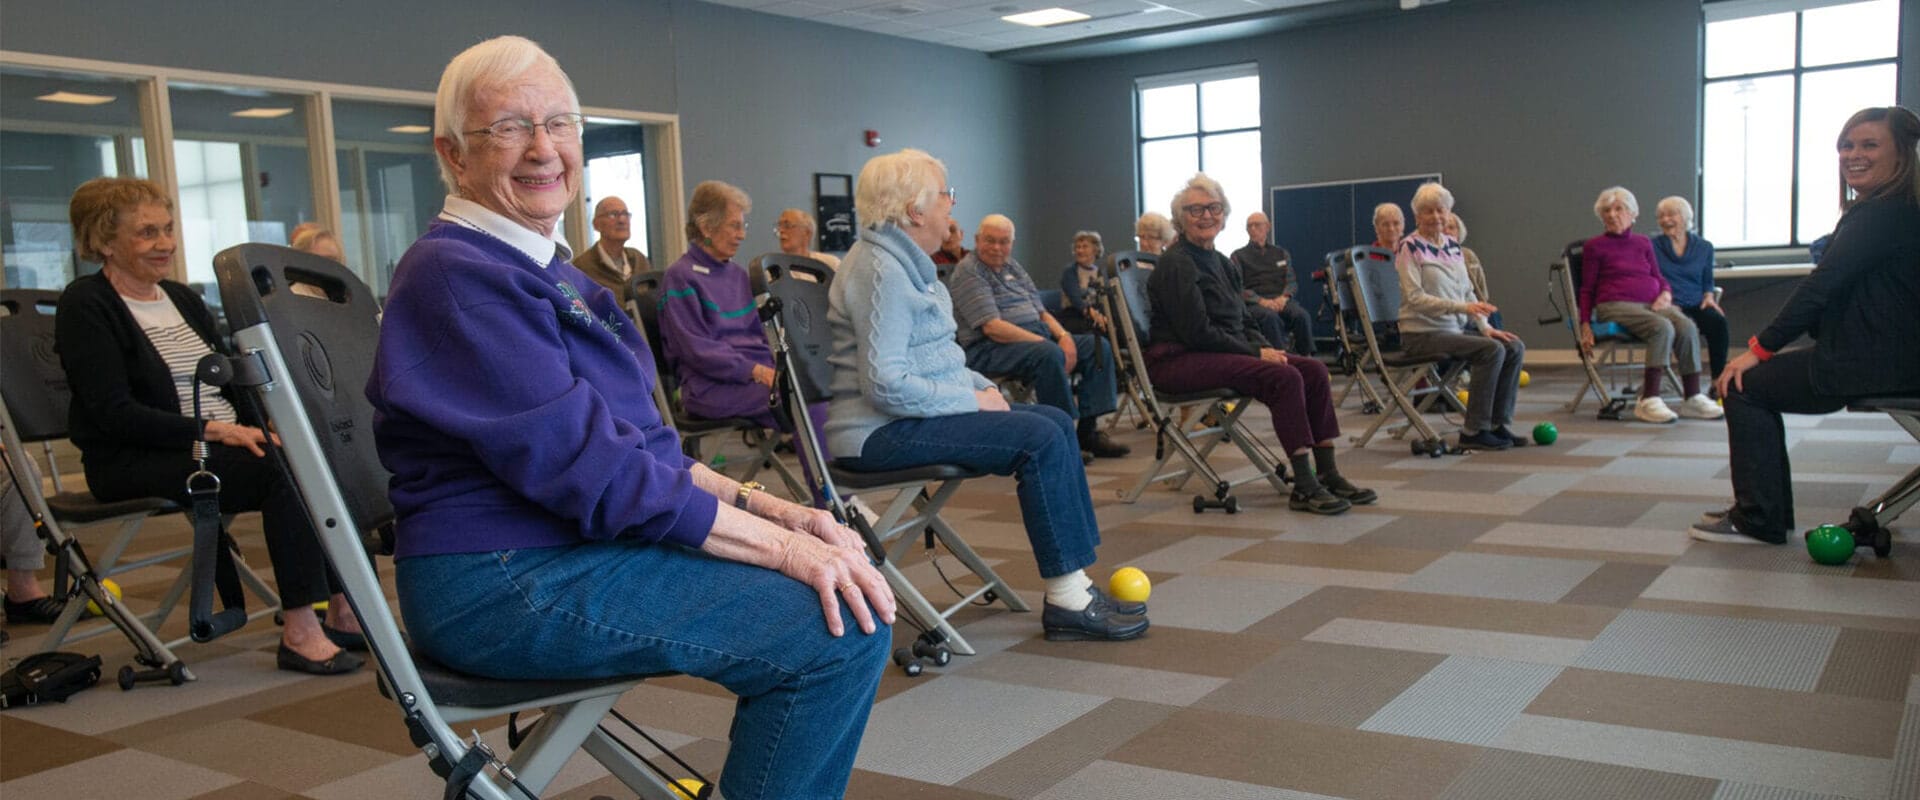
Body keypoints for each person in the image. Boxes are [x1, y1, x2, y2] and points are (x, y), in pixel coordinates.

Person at [367, 37, 890, 800]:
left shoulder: (544, 271)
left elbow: (650, 451)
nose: (543, 148)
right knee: (831, 632)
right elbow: (597, 473)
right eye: (509, 128)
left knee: (833, 596)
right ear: (453, 154)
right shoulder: (458, 274)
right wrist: (783, 553)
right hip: (499, 580)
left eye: (560, 123)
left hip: (550, 550)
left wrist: (785, 515)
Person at [826, 148, 1147, 642]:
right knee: (1039, 437)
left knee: (1056, 422)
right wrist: (971, 401)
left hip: (906, 421)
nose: (951, 206)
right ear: (915, 209)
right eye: (944, 197)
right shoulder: (881, 271)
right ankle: (1067, 599)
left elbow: (936, 360)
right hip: (877, 434)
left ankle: (1074, 585)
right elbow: (885, 383)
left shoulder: (906, 264)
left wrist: (982, 386)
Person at [55, 177, 364, 675]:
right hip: (136, 457)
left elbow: (231, 381)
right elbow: (114, 413)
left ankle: (347, 608)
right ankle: (302, 627)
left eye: (169, 229)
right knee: (282, 471)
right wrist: (216, 432)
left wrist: (263, 424)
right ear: (104, 242)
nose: (166, 244)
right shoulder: (86, 305)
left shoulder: (182, 298)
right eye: (146, 233)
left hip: (212, 444)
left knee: (317, 454)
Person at [1692, 106, 1920, 545]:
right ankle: (1767, 513)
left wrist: (1758, 349)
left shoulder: (1880, 213)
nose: (1853, 154)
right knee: (1754, 383)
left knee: (1741, 385)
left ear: (1902, 154)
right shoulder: (1899, 210)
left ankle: (1759, 518)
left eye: (1870, 144)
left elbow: (1820, 288)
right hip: (1892, 355)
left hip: (1874, 361)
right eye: (1846, 145)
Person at [1144, 174, 1377, 515]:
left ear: (1224, 215)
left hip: (1215, 352)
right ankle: (1303, 484)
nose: (1206, 215)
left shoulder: (1222, 263)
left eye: (1213, 208)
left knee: (1310, 369)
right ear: (1180, 218)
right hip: (1179, 360)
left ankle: (1327, 473)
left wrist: (1268, 349)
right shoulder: (1177, 263)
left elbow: (1245, 319)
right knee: (1284, 378)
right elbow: (1197, 332)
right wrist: (1255, 354)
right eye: (1195, 210)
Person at [950, 215, 1129, 460]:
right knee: (1048, 353)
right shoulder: (969, 271)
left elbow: (1042, 312)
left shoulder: (1013, 266)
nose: (997, 248)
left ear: (1012, 243)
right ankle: (1062, 437)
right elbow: (992, 327)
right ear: (977, 239)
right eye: (990, 241)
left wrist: (1064, 336)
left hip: (1033, 338)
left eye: (1004, 242)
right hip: (989, 347)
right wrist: (1046, 343)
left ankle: (1088, 433)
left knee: (1097, 346)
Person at [1394, 183, 1527, 450]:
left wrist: (1484, 326)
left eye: (1440, 210)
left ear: (1449, 213)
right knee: (1490, 351)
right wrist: (1462, 309)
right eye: (1427, 211)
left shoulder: (1453, 247)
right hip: (1420, 334)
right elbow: (1415, 299)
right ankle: (1474, 430)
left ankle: (1497, 425)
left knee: (1512, 346)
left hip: (1451, 331)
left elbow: (1467, 292)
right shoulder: (1408, 247)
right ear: (1417, 216)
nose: (1435, 217)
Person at [1578, 187, 1723, 424]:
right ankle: (1649, 399)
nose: (1613, 215)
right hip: (1614, 305)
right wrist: (1585, 323)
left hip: (1649, 304)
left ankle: (1693, 396)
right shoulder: (1595, 247)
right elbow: (1587, 289)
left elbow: (1659, 277)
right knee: (1662, 326)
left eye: (1619, 209)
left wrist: (1665, 292)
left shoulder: (1643, 242)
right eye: (1607, 211)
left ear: (1633, 214)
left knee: (1686, 325)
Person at [1652, 196, 1727, 383]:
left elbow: (1707, 280)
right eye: (1661, 216)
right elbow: (1648, 279)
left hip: (1695, 303)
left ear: (1686, 217)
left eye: (1671, 214)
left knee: (1717, 322)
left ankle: (1718, 381)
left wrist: (1709, 296)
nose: (1665, 220)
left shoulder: (1704, 247)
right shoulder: (1652, 246)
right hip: (1667, 306)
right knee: (1681, 327)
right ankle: (1674, 385)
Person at [1231, 212, 1315, 355]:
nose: (1253, 229)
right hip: (1255, 303)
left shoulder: (1281, 253)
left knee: (1301, 315)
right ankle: (1281, 359)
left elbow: (1291, 281)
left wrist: (1284, 297)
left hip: (1280, 299)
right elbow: (1237, 287)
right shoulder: (1238, 256)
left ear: (1267, 227)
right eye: (1249, 226)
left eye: (1257, 225)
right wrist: (1261, 301)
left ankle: (1307, 357)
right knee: (1270, 317)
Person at [572, 195, 652, 299]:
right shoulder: (582, 267)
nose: (622, 220)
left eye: (625, 214)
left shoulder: (639, 259)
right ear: (596, 224)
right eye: (613, 215)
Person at [1445, 211, 1502, 330]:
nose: (1447, 231)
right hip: (1450, 310)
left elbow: (1481, 289)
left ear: (1459, 232)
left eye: (1451, 227)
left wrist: (1481, 306)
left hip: (1473, 306)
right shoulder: (1428, 256)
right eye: (1443, 227)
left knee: (1493, 314)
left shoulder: (1468, 255)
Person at [1056, 229, 1110, 335]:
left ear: (1095, 250)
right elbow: (1076, 300)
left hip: (1095, 315)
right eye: (1077, 247)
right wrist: (1095, 316)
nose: (1080, 251)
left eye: (1085, 247)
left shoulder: (1099, 272)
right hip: (1073, 316)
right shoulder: (1070, 272)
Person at [776, 208, 841, 270]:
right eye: (780, 226)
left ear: (807, 232)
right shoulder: (774, 268)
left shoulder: (831, 264)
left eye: (787, 225)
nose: (781, 230)